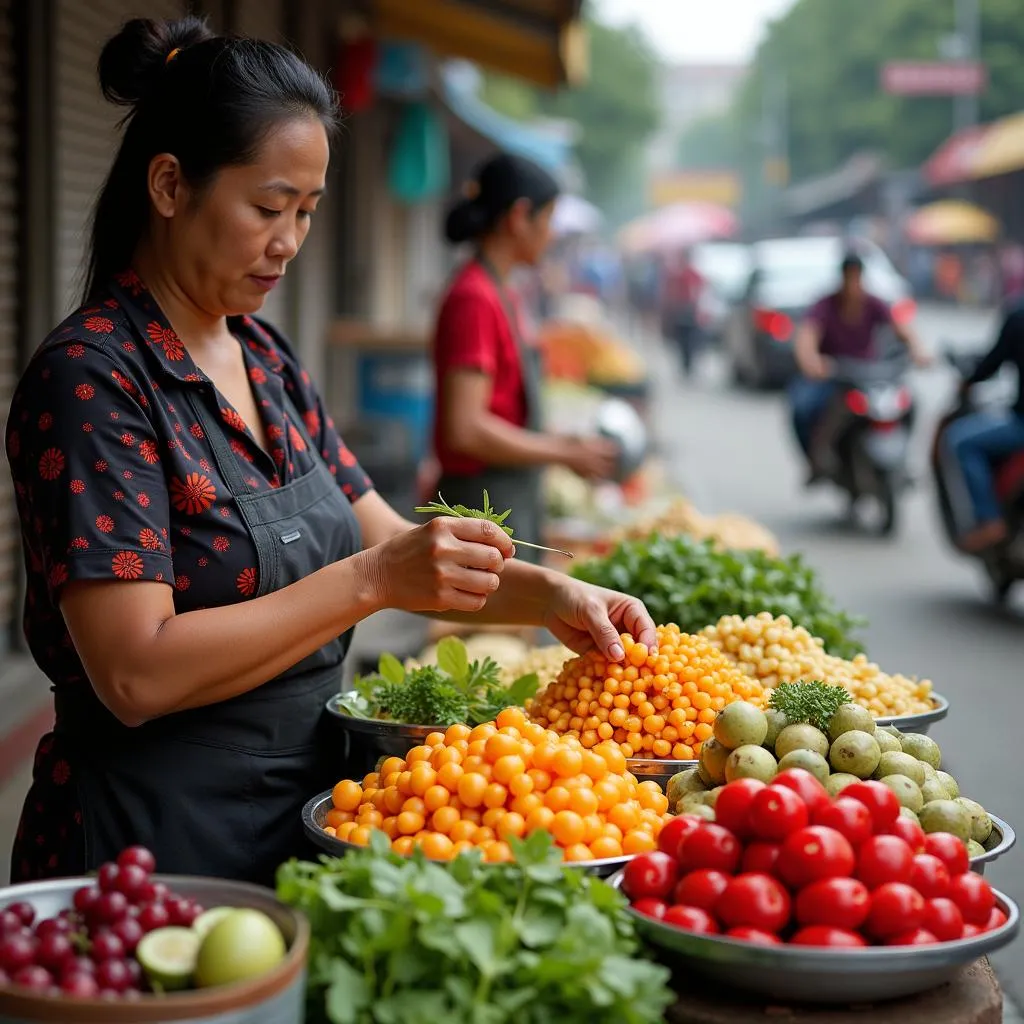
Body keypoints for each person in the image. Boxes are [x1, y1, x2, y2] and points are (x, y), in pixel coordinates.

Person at [5, 18, 657, 886]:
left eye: (307, 212)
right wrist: (371, 581)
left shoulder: (267, 361)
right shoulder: (93, 380)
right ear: (169, 185)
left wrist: (553, 595)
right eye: (268, 208)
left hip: (307, 813)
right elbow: (135, 672)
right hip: (151, 842)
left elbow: (394, 537)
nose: (290, 241)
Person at [431, 153, 618, 562]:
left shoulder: (503, 292)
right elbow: (464, 428)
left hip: (506, 497)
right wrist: (561, 452)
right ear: (519, 217)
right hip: (479, 504)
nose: (551, 235)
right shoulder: (474, 297)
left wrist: (557, 440)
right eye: (548, 219)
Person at [791, 254, 929, 479]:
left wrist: (918, 350)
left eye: (857, 278)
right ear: (842, 278)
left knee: (910, 403)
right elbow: (807, 336)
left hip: (869, 375)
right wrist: (812, 361)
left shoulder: (873, 303)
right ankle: (817, 460)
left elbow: (901, 329)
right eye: (849, 278)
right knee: (803, 408)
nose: (853, 285)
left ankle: (902, 460)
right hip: (836, 375)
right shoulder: (826, 306)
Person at [944, 301, 1024, 551]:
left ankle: (989, 520)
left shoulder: (1018, 318)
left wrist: (968, 382)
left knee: (960, 440)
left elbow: (992, 362)